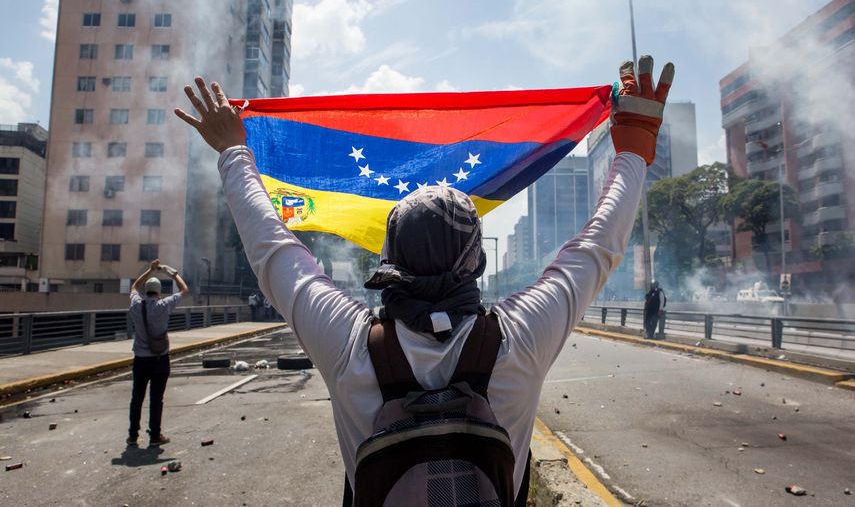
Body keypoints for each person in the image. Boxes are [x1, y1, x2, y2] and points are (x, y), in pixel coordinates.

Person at [175, 55, 674, 504]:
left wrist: (233, 150)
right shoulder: (518, 339)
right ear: (476, 263)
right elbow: (597, 249)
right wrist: (632, 149)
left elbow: (271, 249)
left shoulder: (350, 345)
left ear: (390, 256)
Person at [127, 259, 189, 447]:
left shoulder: (137, 305)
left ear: (146, 291)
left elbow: (134, 287)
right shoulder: (164, 305)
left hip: (140, 360)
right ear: (159, 292)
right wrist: (172, 273)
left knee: (136, 398)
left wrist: (150, 270)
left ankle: (133, 436)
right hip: (160, 359)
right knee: (156, 399)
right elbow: (184, 289)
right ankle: (155, 436)